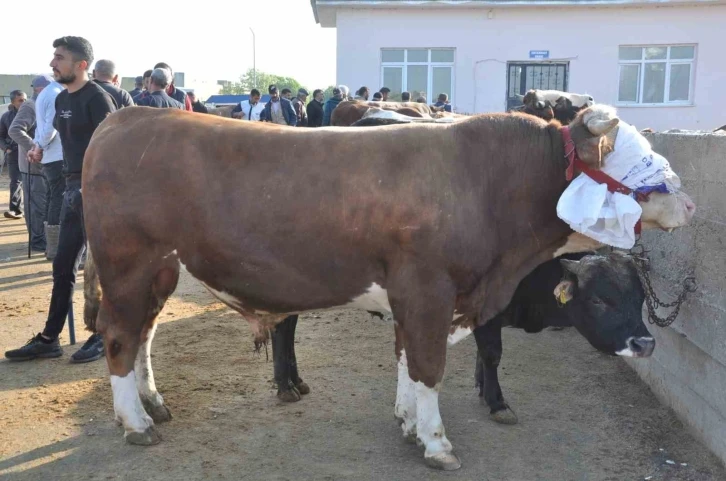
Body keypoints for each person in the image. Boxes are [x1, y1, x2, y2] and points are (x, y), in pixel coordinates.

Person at [5, 35, 117, 363]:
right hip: (71, 190)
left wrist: (93, 186)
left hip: (97, 193)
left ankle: (102, 335)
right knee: (62, 263)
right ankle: (50, 338)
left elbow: (113, 149)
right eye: (54, 57)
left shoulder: (97, 98)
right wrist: (39, 148)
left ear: (81, 65)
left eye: (60, 58)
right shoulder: (61, 100)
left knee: (101, 268)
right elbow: (57, 133)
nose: (53, 63)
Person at [28, 75, 65, 260]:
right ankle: (55, 248)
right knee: (57, 199)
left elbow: (41, 128)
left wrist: (36, 145)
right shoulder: (56, 94)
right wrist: (39, 146)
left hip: (50, 156)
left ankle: (52, 247)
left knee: (52, 198)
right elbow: (50, 128)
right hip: (56, 155)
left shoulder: (47, 94)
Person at [9, 82, 48, 253]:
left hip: (40, 166)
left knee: (42, 205)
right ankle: (37, 241)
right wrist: (35, 148)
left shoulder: (41, 104)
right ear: (41, 89)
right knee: (35, 206)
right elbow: (15, 130)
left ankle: (41, 239)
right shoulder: (31, 105)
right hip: (33, 166)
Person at [1, 90, 26, 219]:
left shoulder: (34, 114)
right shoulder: (6, 117)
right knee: (15, 181)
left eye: (25, 100)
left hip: (31, 152)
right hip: (14, 153)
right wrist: (6, 148)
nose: (24, 103)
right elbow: (0, 137)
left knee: (36, 182)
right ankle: (15, 210)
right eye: (20, 100)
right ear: (13, 102)